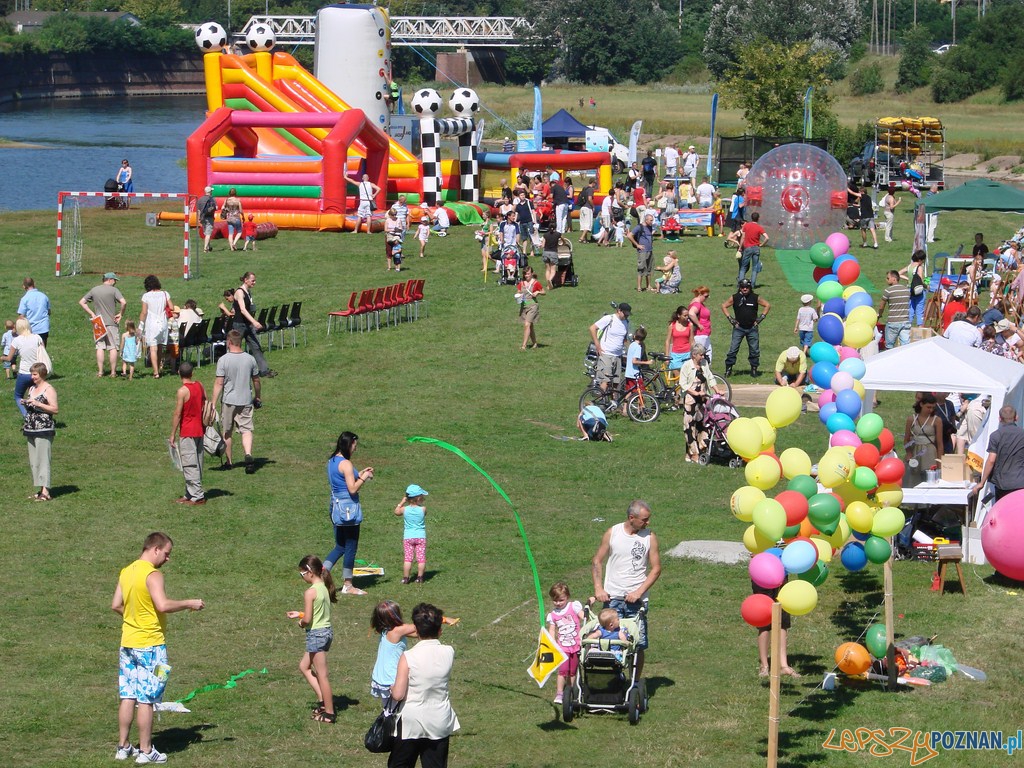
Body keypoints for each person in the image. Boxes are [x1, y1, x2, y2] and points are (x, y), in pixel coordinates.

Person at [112, 532, 204, 764]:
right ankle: (145, 750)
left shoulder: (127, 571)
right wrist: (189, 603)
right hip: (151, 645)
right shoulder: (153, 575)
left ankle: (123, 747)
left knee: (128, 696)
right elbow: (162, 605)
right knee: (147, 698)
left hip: (128, 643)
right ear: (155, 549)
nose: (167, 558)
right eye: (166, 553)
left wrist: (134, 617)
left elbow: (116, 605)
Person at [591, 500, 660, 678]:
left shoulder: (649, 537)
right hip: (612, 599)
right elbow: (597, 560)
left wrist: (638, 592)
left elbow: (656, 569)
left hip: (636, 602)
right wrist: (599, 588)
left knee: (637, 644)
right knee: (610, 640)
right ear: (631, 518)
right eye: (644, 519)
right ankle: (615, 679)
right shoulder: (612, 533)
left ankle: (634, 682)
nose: (647, 523)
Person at [388, 602, 460, 768]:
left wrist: (392, 688)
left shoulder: (408, 656)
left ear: (416, 631)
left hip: (411, 722)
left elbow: (398, 694)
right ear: (439, 631)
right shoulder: (449, 652)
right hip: (439, 719)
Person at [285, 555, 338, 723]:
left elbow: (308, 620)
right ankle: (323, 700)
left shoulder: (310, 592)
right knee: (304, 666)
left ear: (309, 572)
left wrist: (301, 622)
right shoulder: (323, 586)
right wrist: (299, 614)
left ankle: (329, 712)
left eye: (302, 574)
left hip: (316, 634)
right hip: (325, 632)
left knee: (322, 675)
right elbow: (317, 612)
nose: (302, 578)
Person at [325, 431, 373, 595]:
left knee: (340, 546)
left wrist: (359, 474)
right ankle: (348, 585)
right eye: (354, 446)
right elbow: (352, 488)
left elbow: (344, 480)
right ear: (348, 444)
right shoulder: (346, 463)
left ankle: (323, 572)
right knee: (351, 546)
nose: (355, 449)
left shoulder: (332, 461)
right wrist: (364, 477)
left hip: (336, 508)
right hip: (348, 510)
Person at [212, 329, 261, 474]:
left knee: (227, 432)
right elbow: (256, 380)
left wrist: (213, 402)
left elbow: (219, 383)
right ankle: (248, 454)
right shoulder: (250, 359)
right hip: (245, 400)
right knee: (246, 430)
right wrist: (258, 396)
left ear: (229, 342)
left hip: (228, 401)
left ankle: (229, 462)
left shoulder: (224, 360)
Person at [169, 362, 207, 506]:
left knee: (189, 464)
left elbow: (178, 414)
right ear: (192, 373)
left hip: (187, 431)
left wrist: (172, 433)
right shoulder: (199, 385)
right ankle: (189, 493)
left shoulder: (182, 391)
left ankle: (197, 496)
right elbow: (205, 403)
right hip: (199, 430)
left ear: (179, 373)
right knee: (197, 461)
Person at [370, 600, 419, 704]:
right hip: (392, 677)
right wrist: (443, 620)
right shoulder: (398, 631)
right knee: (397, 711)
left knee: (389, 710)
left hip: (383, 676)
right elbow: (421, 624)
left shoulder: (387, 630)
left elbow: (417, 633)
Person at [80, 272, 127, 378]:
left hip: (98, 322)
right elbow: (124, 302)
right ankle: (113, 372)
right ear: (110, 280)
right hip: (111, 323)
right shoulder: (114, 290)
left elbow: (82, 302)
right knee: (113, 347)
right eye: (114, 280)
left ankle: (100, 372)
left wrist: (92, 313)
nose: (115, 282)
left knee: (100, 347)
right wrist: (121, 314)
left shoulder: (94, 290)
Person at [21, 362, 57, 501]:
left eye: (35, 374)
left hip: (44, 429)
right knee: (34, 461)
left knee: (43, 460)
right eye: (32, 374)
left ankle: (46, 492)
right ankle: (40, 489)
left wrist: (39, 404)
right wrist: (27, 402)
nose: (32, 377)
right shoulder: (32, 388)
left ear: (42, 374)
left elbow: (55, 409)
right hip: (31, 428)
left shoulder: (49, 389)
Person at [971, 406, 1024, 501]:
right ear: (1016, 418)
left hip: (1003, 484)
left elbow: (991, 460)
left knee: (1003, 512)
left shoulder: (996, 435)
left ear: (999, 419)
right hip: (1021, 482)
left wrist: (982, 483)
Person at [680, 343, 722, 462]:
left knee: (703, 425)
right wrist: (695, 393)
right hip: (691, 400)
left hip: (703, 399)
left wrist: (717, 390)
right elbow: (682, 383)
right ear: (694, 355)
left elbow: (710, 378)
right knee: (689, 426)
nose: (703, 357)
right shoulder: (687, 366)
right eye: (701, 355)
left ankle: (702, 449)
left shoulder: (704, 364)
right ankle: (693, 454)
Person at [722, 279, 770, 377]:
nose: (744, 289)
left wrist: (761, 318)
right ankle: (729, 368)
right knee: (733, 349)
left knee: (754, 349)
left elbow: (767, 305)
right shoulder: (735, 297)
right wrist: (730, 318)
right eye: (742, 287)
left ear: (750, 287)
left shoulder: (755, 297)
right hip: (738, 328)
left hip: (752, 328)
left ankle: (754, 368)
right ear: (740, 287)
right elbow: (724, 306)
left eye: (747, 287)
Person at [546, 582, 584, 705]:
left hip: (576, 645)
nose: (558, 603)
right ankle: (560, 693)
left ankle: (570, 690)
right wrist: (552, 643)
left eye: (561, 600)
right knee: (562, 671)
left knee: (572, 671)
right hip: (562, 647)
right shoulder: (553, 615)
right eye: (555, 600)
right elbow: (552, 629)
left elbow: (583, 617)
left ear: (567, 597)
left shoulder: (574, 606)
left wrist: (588, 614)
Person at [232, 272, 275, 378]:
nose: (254, 283)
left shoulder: (248, 292)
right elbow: (242, 310)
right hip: (239, 325)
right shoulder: (239, 292)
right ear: (245, 280)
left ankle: (264, 370)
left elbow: (249, 308)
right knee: (235, 348)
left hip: (248, 325)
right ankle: (232, 372)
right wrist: (254, 322)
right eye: (253, 280)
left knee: (256, 347)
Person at [753, 582, 799, 677]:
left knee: (783, 619)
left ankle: (783, 666)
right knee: (764, 618)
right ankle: (764, 666)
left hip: (782, 573)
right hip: (763, 574)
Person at [589, 303, 631, 401]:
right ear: (619, 311)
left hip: (618, 355)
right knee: (606, 380)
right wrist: (597, 345)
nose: (626, 316)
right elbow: (592, 328)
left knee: (616, 382)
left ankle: (613, 404)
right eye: (625, 314)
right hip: (606, 354)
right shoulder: (609, 319)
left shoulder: (626, 322)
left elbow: (624, 339)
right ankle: (597, 403)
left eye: (628, 314)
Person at [3, 318, 43, 416]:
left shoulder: (16, 340)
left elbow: (9, 358)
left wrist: (1, 357)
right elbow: (42, 352)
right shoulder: (37, 337)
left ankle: (27, 416)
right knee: (35, 396)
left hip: (24, 373)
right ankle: (39, 416)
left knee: (18, 396)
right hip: (37, 372)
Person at [392, 483, 430, 584]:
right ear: (418, 498)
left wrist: (401, 502)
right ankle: (420, 577)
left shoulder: (404, 509)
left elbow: (396, 512)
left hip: (408, 537)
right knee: (421, 558)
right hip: (421, 537)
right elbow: (424, 514)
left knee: (408, 559)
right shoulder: (423, 509)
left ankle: (405, 578)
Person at [904, 393, 943, 486]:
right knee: (912, 478)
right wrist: (908, 453)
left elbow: (940, 443)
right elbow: (906, 439)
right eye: (928, 407)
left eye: (933, 408)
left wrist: (939, 461)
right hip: (915, 450)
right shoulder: (911, 419)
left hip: (930, 451)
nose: (931, 410)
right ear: (921, 404)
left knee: (929, 478)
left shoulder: (937, 420)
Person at [138, 275, 171, 378]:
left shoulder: (146, 296)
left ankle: (155, 372)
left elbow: (144, 312)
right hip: (163, 321)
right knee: (160, 346)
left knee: (153, 348)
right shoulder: (165, 294)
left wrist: (140, 326)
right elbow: (172, 306)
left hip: (152, 322)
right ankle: (159, 368)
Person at [878, 271, 911, 348]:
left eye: (888, 278)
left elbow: (881, 306)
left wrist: (880, 314)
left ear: (894, 279)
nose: (886, 280)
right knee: (906, 347)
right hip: (905, 322)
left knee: (889, 346)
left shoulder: (888, 291)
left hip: (893, 323)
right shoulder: (906, 290)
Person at [515, 265, 545, 351]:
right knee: (530, 326)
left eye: (528, 274)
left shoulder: (536, 283)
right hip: (524, 307)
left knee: (526, 325)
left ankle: (523, 346)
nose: (526, 275)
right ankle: (535, 343)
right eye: (525, 274)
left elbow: (544, 291)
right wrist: (518, 295)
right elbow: (519, 291)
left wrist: (538, 292)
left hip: (533, 306)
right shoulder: (522, 283)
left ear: (532, 273)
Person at [627, 212, 657, 293]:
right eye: (650, 220)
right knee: (641, 269)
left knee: (649, 269)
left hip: (650, 250)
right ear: (646, 220)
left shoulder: (650, 227)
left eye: (652, 220)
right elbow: (629, 235)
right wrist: (637, 245)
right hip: (642, 251)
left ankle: (648, 286)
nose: (652, 222)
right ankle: (639, 287)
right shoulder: (639, 227)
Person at [737, 212, 768, 287]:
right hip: (756, 248)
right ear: (758, 218)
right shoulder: (759, 227)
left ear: (751, 218)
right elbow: (767, 238)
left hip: (747, 248)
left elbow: (743, 238)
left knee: (743, 267)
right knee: (754, 268)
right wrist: (762, 244)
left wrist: (740, 248)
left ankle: (741, 284)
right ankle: (752, 285)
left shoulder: (746, 226)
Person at [17, 277, 50, 346]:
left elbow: (21, 316)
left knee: (32, 352)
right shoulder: (44, 296)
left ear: (24, 286)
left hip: (31, 329)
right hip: (43, 328)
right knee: (42, 352)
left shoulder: (24, 299)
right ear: (34, 284)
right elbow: (49, 312)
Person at [899, 250, 928, 326]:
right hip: (918, 290)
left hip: (910, 290)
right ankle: (920, 327)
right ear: (920, 260)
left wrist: (908, 279)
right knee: (919, 310)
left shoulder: (909, 266)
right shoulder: (919, 267)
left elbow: (899, 273)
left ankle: (908, 328)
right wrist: (927, 286)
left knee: (910, 309)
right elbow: (921, 280)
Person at [665, 304, 693, 373]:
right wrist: (667, 357)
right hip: (675, 354)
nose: (687, 317)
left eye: (687, 315)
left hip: (687, 353)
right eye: (685, 316)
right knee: (677, 378)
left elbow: (692, 341)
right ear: (679, 315)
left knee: (687, 376)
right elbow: (667, 341)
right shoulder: (672, 326)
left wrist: (694, 353)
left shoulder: (690, 325)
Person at [687, 286, 713, 359]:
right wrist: (699, 324)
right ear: (700, 294)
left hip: (703, 335)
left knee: (704, 357)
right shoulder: (697, 304)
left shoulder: (697, 303)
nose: (707, 298)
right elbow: (691, 313)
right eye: (706, 296)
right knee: (702, 358)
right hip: (700, 335)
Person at [196, 185, 217, 252]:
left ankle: (209, 247)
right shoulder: (212, 199)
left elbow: (198, 210)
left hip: (202, 217)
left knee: (206, 232)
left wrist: (199, 218)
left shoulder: (200, 199)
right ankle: (205, 248)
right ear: (210, 192)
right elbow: (215, 208)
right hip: (209, 217)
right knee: (208, 234)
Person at [577, 180, 596, 244]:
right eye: (595, 184)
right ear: (592, 183)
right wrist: (593, 206)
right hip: (588, 208)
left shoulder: (585, 188)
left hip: (582, 207)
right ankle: (581, 237)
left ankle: (585, 239)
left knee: (583, 224)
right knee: (588, 224)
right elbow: (590, 199)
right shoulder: (590, 190)